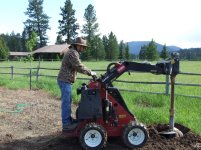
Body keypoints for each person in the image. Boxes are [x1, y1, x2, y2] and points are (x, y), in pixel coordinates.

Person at [57, 37, 96, 132]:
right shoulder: (72, 53)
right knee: (66, 103)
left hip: (66, 81)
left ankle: (69, 121)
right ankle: (66, 124)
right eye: (82, 47)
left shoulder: (72, 52)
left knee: (68, 101)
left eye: (84, 47)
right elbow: (78, 66)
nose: (83, 49)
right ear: (77, 45)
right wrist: (90, 72)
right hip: (65, 81)